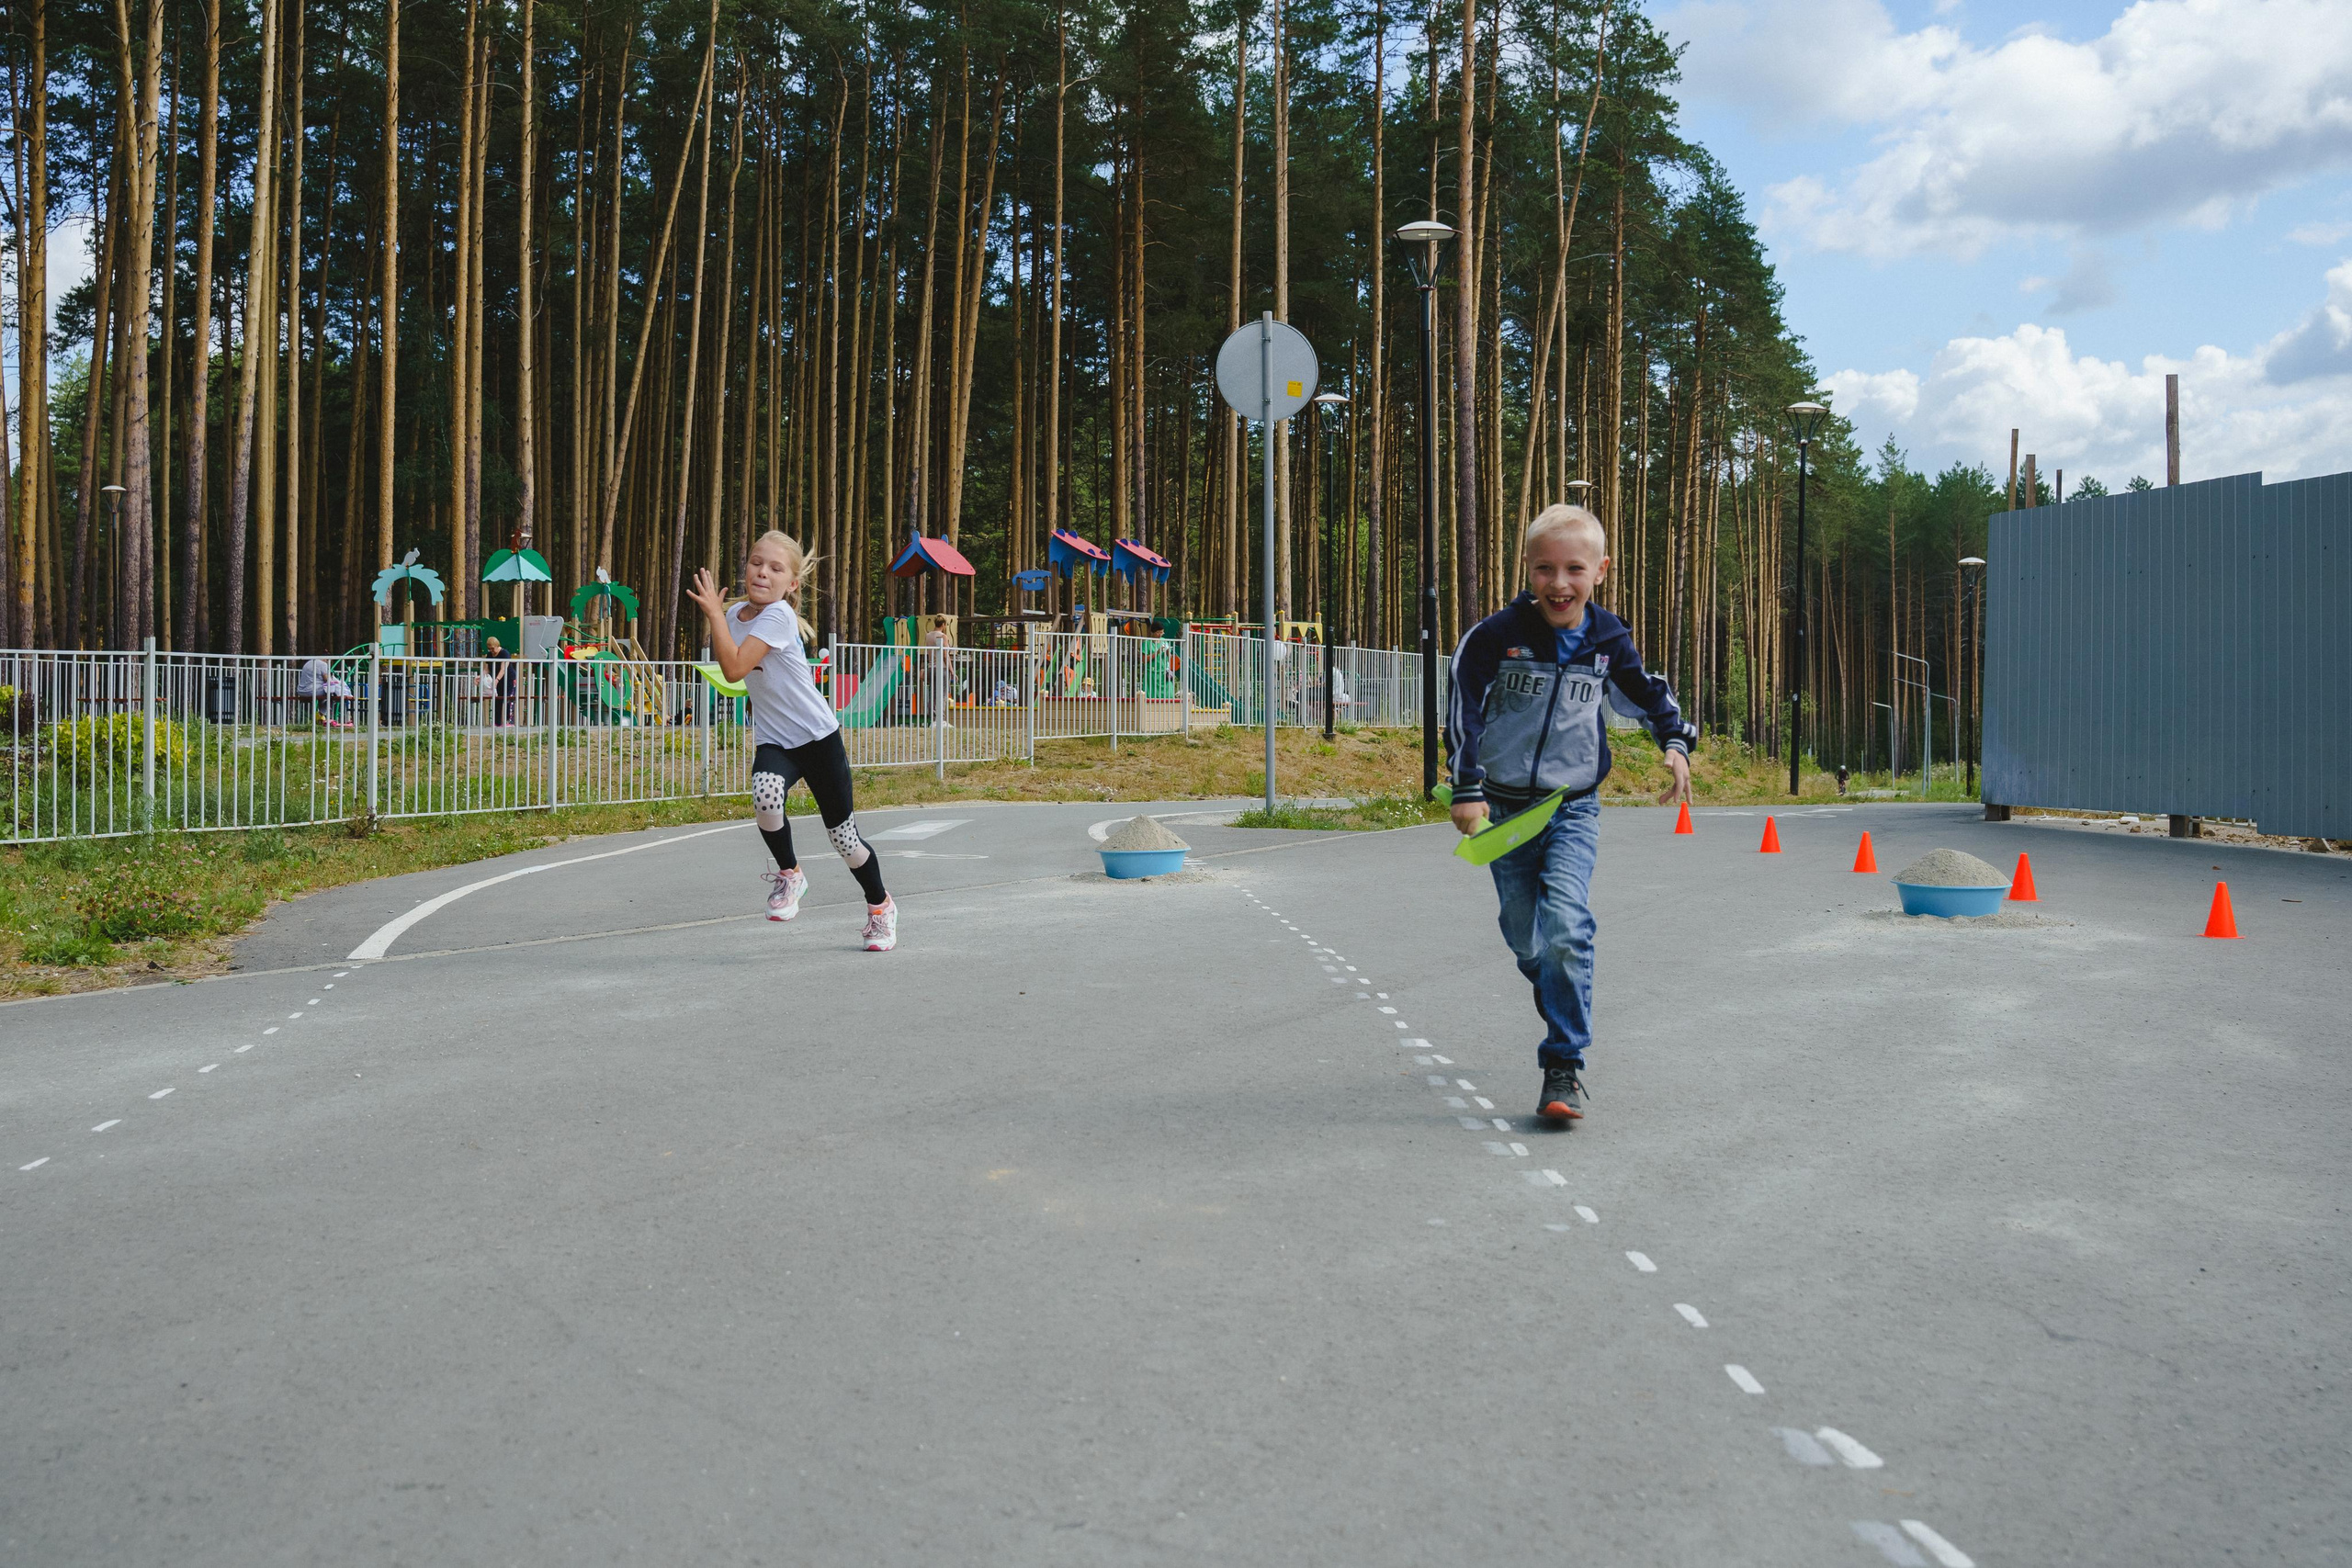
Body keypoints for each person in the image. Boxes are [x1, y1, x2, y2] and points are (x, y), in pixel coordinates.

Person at [1445, 503, 1693, 1123]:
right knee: (1525, 938)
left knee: (1567, 927)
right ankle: (1554, 980)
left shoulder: (1608, 639)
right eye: (1545, 569)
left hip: (1572, 807)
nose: (1559, 583)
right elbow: (1463, 708)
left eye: (1575, 569)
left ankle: (1563, 1063)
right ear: (1528, 569)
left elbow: (1647, 692)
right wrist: (1466, 787)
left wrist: (1674, 742)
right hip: (1504, 811)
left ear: (1600, 571)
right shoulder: (1496, 636)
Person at [686, 531, 898, 951]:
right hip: (776, 741)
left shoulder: (778, 616)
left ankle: (881, 907)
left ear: (791, 583)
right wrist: (722, 618)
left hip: (818, 739)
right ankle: (790, 875)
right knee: (765, 797)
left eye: (775, 568)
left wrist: (713, 614)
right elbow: (742, 675)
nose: (762, 572)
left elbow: (734, 669)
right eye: (756, 562)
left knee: (845, 841)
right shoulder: (735, 615)